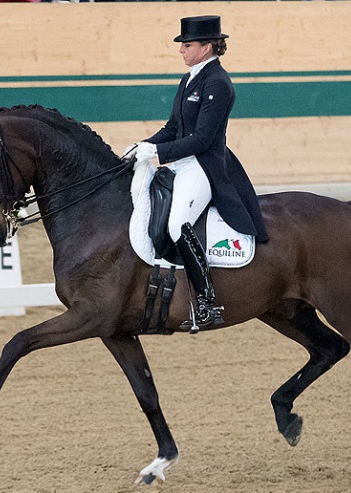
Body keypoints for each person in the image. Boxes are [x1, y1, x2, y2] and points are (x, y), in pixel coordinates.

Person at [131, 15, 268, 332]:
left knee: (178, 224)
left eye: (187, 45)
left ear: (207, 47)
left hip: (204, 165)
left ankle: (207, 301)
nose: (181, 51)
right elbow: (173, 128)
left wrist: (158, 153)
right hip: (181, 162)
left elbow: (203, 139)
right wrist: (143, 145)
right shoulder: (189, 79)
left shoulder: (218, 83)